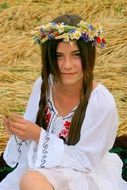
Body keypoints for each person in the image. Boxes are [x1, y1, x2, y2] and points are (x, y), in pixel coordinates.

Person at [0, 14, 127, 190]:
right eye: (59, 56)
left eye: (76, 55)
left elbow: (85, 160)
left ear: (89, 55)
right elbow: (32, 135)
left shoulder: (101, 103)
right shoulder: (43, 86)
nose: (67, 65)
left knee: (31, 181)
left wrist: (38, 135)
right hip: (42, 168)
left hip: (84, 174)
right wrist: (20, 130)